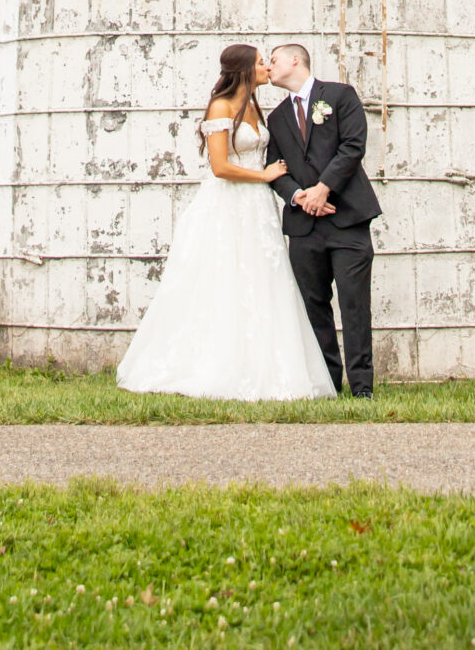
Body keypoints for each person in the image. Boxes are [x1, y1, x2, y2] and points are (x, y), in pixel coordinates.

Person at [115, 43, 337, 401]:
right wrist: (264, 177)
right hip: (229, 203)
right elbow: (219, 167)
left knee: (263, 278)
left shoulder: (254, 105)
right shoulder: (221, 107)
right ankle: (213, 365)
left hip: (257, 207)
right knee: (225, 276)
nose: (267, 67)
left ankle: (264, 365)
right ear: (245, 69)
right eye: (262, 62)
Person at [265, 42, 381, 397]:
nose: (267, 67)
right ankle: (327, 384)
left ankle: (362, 387)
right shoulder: (276, 118)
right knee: (314, 306)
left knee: (354, 304)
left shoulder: (340, 96)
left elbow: (352, 146)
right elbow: (275, 168)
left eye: (273, 60)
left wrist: (323, 189)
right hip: (304, 226)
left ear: (295, 60)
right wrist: (299, 196)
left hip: (347, 219)